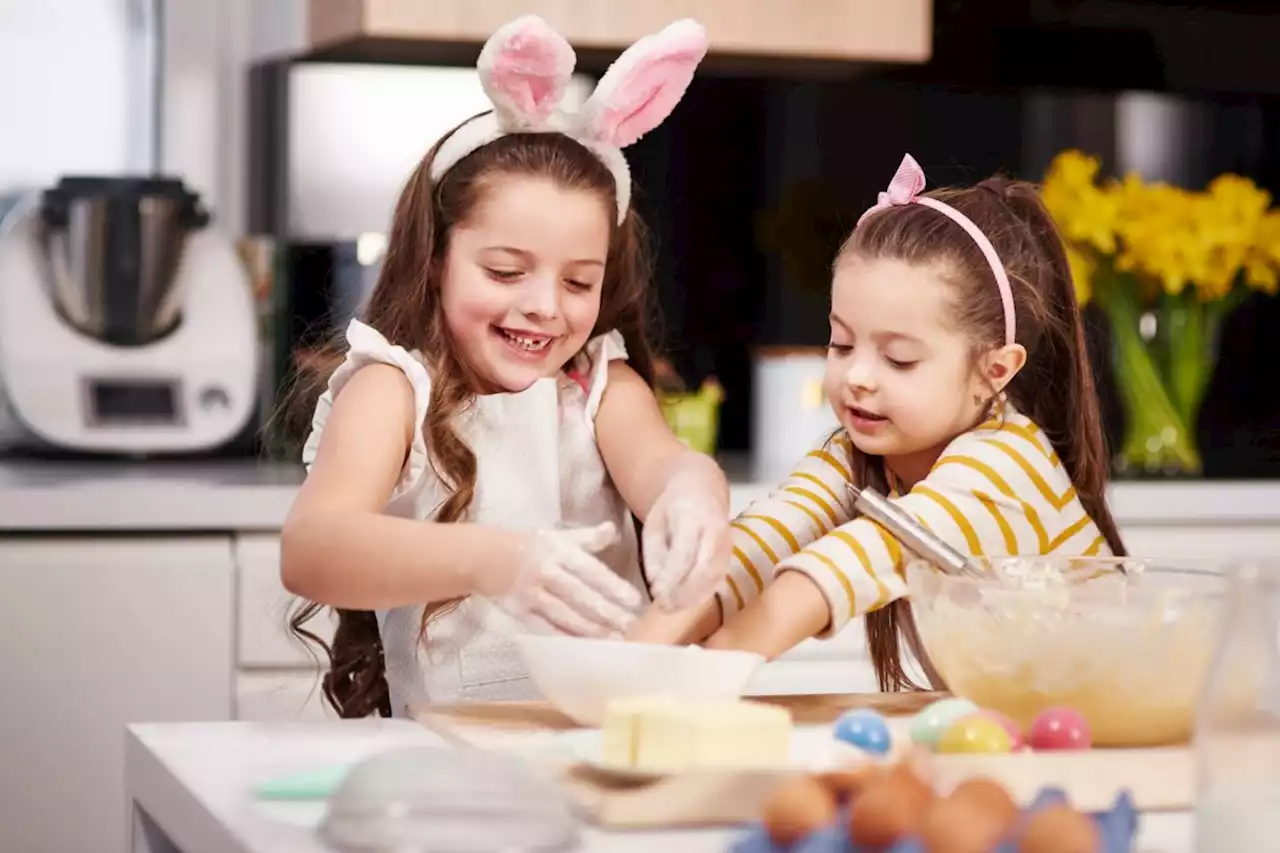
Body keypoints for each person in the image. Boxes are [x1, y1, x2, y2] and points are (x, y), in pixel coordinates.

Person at [281, 15, 730, 718]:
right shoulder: (394, 391)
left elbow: (664, 467)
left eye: (579, 282)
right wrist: (497, 560)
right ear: (435, 260)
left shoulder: (598, 388)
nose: (545, 306)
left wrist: (695, 489)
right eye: (505, 269)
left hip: (601, 748)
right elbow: (313, 548)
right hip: (445, 764)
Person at [630, 154, 1126, 690]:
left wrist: (714, 665)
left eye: (899, 359)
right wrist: (631, 658)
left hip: (1117, 730)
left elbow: (864, 555)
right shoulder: (853, 455)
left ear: (994, 371)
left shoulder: (1006, 464)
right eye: (842, 344)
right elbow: (764, 540)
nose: (858, 376)